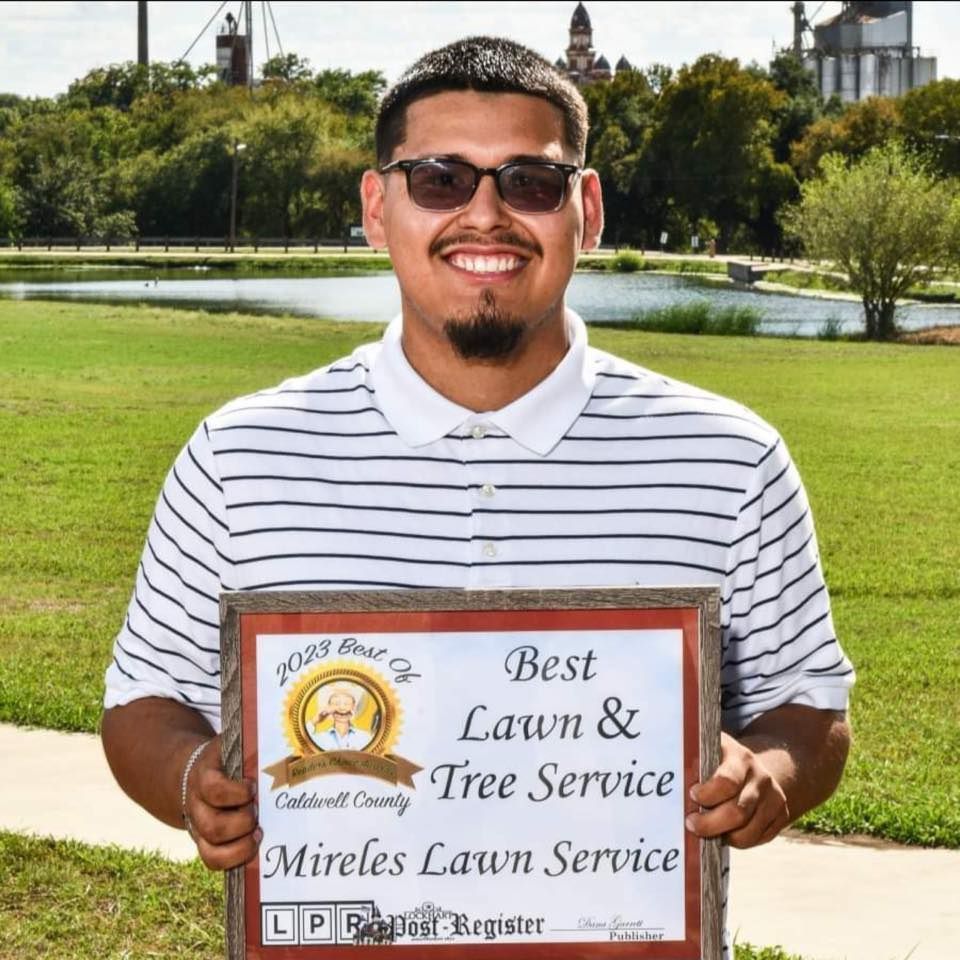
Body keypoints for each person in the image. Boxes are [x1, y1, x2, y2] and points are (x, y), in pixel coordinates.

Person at [101, 35, 853, 949]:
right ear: (378, 209)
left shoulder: (730, 458)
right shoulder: (237, 457)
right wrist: (192, 781)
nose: (486, 215)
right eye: (440, 179)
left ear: (587, 209)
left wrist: (768, 774)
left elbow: (810, 709)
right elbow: (142, 704)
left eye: (531, 182)